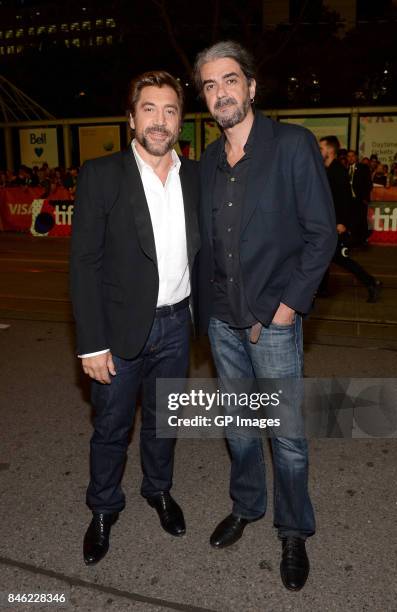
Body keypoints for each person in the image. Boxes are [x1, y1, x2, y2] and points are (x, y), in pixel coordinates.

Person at [193, 41, 337, 591]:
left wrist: (286, 307)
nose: (220, 92)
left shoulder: (293, 145)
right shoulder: (208, 160)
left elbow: (321, 235)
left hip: (271, 319)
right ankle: (247, 505)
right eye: (209, 85)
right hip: (221, 321)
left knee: (288, 435)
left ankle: (293, 530)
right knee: (238, 426)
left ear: (251, 87)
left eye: (229, 80)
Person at [70, 71, 200, 566]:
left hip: (176, 327)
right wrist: (91, 343)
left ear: (180, 122)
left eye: (169, 111)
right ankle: (104, 507)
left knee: (164, 422)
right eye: (149, 109)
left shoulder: (195, 176)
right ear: (131, 117)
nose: (159, 120)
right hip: (120, 330)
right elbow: (85, 262)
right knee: (111, 427)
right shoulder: (102, 174)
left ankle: (158, 490)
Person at [319, 136, 382, 303]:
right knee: (326, 256)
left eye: (321, 148)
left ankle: (371, 282)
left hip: (335, 224)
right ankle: (323, 289)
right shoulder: (328, 169)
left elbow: (345, 199)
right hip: (328, 223)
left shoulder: (337, 170)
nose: (319, 151)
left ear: (330, 151)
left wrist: (342, 223)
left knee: (338, 258)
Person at [347, 149, 372, 245]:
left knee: (362, 220)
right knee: (352, 220)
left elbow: (369, 184)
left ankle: (363, 240)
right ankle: (354, 240)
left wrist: (365, 198)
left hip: (361, 200)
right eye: (348, 156)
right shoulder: (345, 169)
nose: (350, 158)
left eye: (352, 156)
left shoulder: (363, 168)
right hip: (350, 201)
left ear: (356, 157)